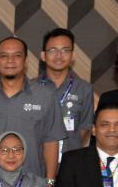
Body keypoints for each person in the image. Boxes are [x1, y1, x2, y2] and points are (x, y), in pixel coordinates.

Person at [0, 36, 66, 187]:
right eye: (4, 56)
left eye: (17, 55)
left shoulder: (46, 96)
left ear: (26, 61)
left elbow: (51, 143)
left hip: (32, 185)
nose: (10, 60)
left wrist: (50, 182)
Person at [31, 28, 94, 158]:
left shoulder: (84, 89)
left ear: (73, 56)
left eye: (65, 50)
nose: (59, 56)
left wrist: (69, 149)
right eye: (53, 50)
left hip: (70, 162)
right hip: (37, 162)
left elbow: (85, 129)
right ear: (43, 55)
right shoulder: (30, 88)